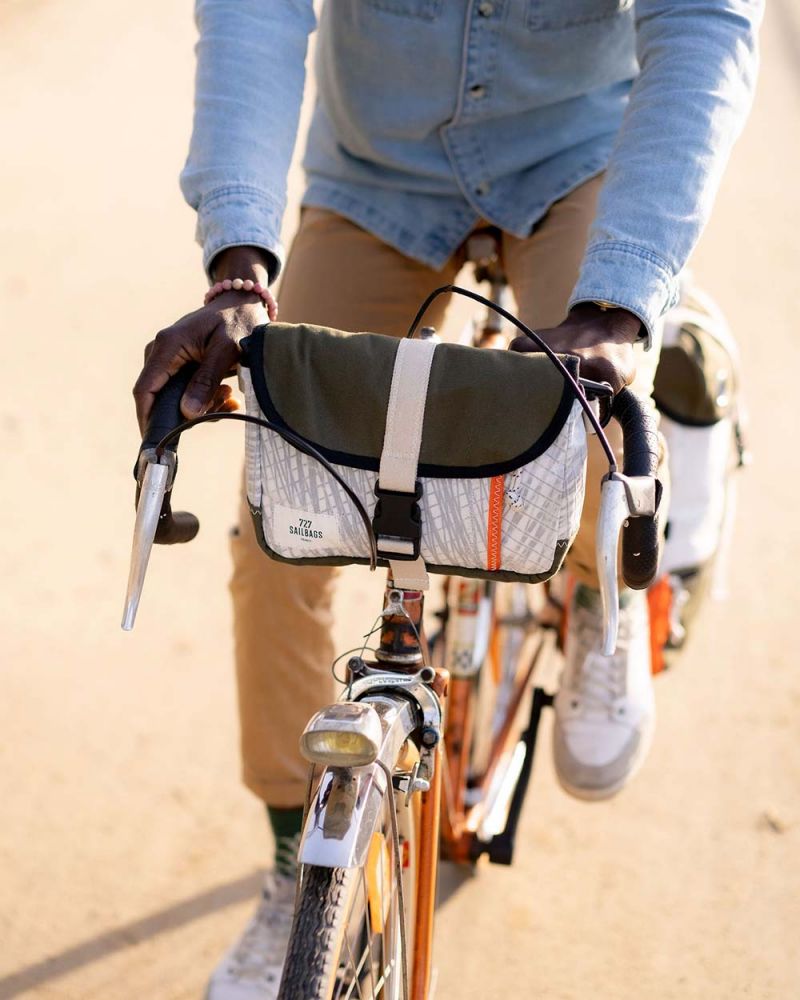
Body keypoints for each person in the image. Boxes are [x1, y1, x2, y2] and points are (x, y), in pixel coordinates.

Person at [133, 2, 762, 996]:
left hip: (576, 160)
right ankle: (297, 863)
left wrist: (622, 294)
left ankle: (609, 581)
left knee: (600, 424)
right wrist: (239, 264)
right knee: (280, 509)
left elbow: (701, 23)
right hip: (376, 179)